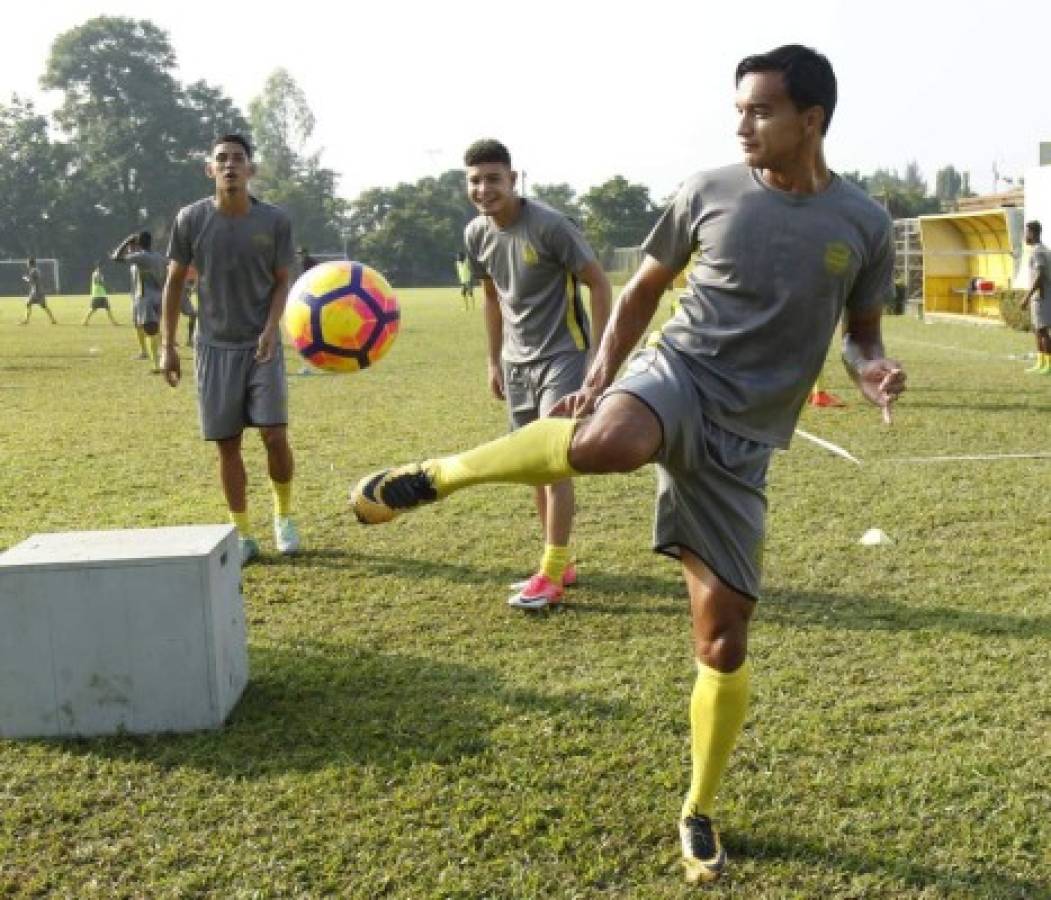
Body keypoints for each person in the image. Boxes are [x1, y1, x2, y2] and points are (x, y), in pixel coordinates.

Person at [350, 45, 906, 883]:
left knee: (721, 641)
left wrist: (871, 370)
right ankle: (441, 475)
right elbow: (644, 288)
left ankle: (698, 810)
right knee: (609, 443)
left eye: (760, 109)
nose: (741, 122)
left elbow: (860, 333)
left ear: (811, 120)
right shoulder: (707, 190)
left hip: (744, 439)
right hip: (676, 373)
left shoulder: (861, 223)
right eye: (739, 107)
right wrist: (599, 376)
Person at [461, 138, 610, 609]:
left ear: (513, 179)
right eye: (475, 180)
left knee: (551, 461)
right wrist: (493, 360)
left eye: (493, 179)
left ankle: (550, 573)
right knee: (531, 467)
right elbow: (491, 298)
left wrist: (599, 359)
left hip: (564, 356)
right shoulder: (476, 234)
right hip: (516, 362)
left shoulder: (549, 226)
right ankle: (557, 561)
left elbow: (599, 283)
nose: (484, 189)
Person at [160, 133, 300, 566]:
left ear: (251, 170)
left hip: (262, 343)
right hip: (214, 346)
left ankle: (284, 515)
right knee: (228, 444)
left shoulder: (274, 221)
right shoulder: (191, 219)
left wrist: (273, 327)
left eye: (238, 159)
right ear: (210, 170)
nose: (230, 165)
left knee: (275, 436)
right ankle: (243, 533)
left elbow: (283, 280)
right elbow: (173, 282)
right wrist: (167, 346)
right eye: (221, 159)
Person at [112, 231, 166, 372]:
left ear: (139, 244)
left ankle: (156, 365)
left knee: (150, 331)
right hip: (159, 296)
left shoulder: (141, 256)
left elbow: (116, 258)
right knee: (154, 328)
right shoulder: (159, 257)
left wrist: (125, 241)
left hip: (145, 298)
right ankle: (159, 357)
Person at [1020, 220, 1050, 374]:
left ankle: (1048, 365)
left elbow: (1039, 275)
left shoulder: (1038, 251)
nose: (1024, 236)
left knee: (1043, 331)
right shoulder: (1038, 250)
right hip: (1038, 297)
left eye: (1026, 232)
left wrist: (1027, 296)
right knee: (1038, 331)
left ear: (1032, 233)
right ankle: (1041, 362)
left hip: (1041, 297)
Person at [18, 257, 57, 325]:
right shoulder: (36, 270)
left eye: (27, 263)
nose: (27, 264)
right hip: (40, 291)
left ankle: (26, 321)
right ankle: (53, 319)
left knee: (28, 304)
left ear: (30, 263)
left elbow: (31, 281)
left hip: (36, 291)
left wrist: (25, 278)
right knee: (44, 306)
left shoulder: (33, 271)